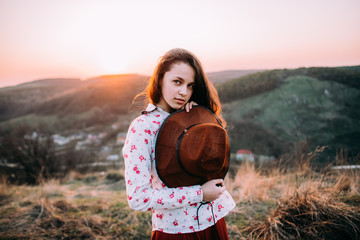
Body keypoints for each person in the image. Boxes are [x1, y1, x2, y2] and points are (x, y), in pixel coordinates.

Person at [122, 48, 235, 239]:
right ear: (159, 79)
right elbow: (138, 198)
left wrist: (200, 119)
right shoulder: (143, 127)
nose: (184, 92)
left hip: (214, 220)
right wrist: (199, 194)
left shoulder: (193, 114)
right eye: (177, 82)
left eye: (190, 86)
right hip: (177, 230)